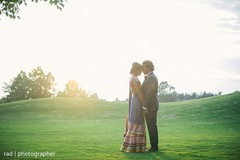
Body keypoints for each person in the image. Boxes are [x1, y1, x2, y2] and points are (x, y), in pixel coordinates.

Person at [120, 62, 146, 152]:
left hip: (134, 101)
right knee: (138, 122)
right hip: (137, 101)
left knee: (135, 122)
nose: (141, 72)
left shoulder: (131, 78)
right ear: (137, 70)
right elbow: (139, 93)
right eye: (141, 70)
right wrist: (144, 103)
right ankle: (137, 147)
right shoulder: (135, 80)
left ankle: (132, 146)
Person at [141, 60, 159, 152]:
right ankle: (154, 146)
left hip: (150, 106)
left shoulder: (151, 78)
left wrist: (144, 106)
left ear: (148, 67)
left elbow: (149, 93)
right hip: (151, 106)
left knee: (152, 126)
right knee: (151, 126)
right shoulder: (150, 77)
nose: (142, 69)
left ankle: (154, 147)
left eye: (143, 67)